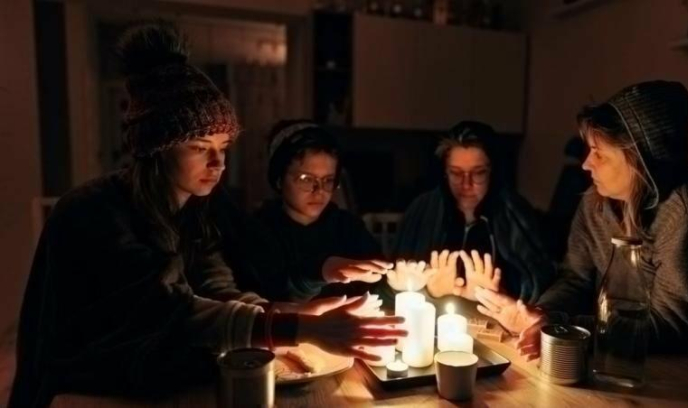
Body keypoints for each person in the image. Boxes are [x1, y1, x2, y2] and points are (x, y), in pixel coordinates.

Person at [10, 23, 403, 408]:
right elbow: (168, 313)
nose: (218, 163)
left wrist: (289, 311)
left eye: (223, 146)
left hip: (151, 380)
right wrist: (299, 328)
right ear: (156, 148)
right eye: (199, 147)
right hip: (83, 389)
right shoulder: (95, 211)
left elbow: (217, 289)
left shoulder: (197, 209)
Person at [475, 80, 688, 360]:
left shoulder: (687, 215)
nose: (586, 164)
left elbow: (671, 326)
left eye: (599, 154)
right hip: (618, 356)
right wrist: (541, 314)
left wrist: (563, 327)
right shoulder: (595, 200)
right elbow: (575, 278)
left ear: (640, 161)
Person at [390, 121, 555, 304]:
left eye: (478, 173)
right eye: (456, 173)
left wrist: (499, 294)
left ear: (493, 172)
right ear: (444, 172)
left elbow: (539, 287)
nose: (466, 184)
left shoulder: (515, 213)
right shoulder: (422, 210)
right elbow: (396, 282)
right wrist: (431, 292)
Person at [237, 120, 389, 301]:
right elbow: (270, 293)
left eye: (328, 180)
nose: (319, 191)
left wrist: (396, 284)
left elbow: (380, 286)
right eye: (306, 179)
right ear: (279, 179)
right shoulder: (259, 230)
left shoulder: (348, 227)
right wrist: (322, 271)